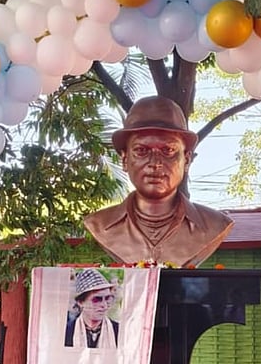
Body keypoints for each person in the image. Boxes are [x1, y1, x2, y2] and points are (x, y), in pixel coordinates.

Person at [84, 96, 233, 267]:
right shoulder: (99, 224)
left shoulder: (214, 225)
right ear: (124, 160)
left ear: (187, 160)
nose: (155, 163)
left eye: (168, 150)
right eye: (141, 150)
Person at [64, 268, 119, 349]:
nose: (104, 305)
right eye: (97, 299)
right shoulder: (67, 331)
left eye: (107, 298)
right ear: (80, 302)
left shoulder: (118, 330)